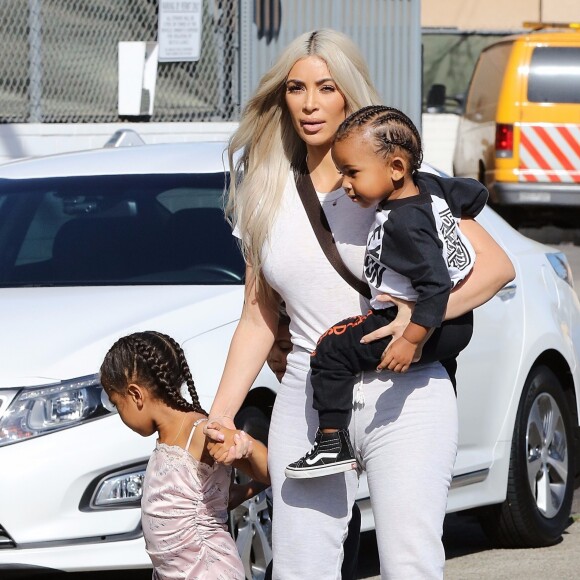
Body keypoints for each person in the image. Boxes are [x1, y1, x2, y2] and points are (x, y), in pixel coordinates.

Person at [205, 29, 515, 579]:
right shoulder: (265, 192)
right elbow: (258, 316)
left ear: (348, 94)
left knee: (408, 561)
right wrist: (222, 415)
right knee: (301, 566)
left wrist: (418, 318)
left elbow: (495, 268)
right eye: (296, 88)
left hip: (407, 390)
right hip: (309, 392)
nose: (309, 103)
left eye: (325, 87)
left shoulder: (405, 181)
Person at [285, 105, 488, 479]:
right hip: (458, 325)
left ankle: (331, 441)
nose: (344, 184)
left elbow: (436, 285)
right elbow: (472, 192)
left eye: (352, 172)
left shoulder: (403, 225)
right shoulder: (429, 187)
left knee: (331, 348)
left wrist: (411, 339)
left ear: (396, 168)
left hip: (422, 320)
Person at [99, 330, 270, 580]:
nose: (120, 415)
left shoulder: (201, 432)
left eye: (117, 404)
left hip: (207, 571)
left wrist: (248, 446)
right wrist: (252, 488)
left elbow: (270, 467)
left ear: (135, 395)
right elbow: (209, 500)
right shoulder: (166, 438)